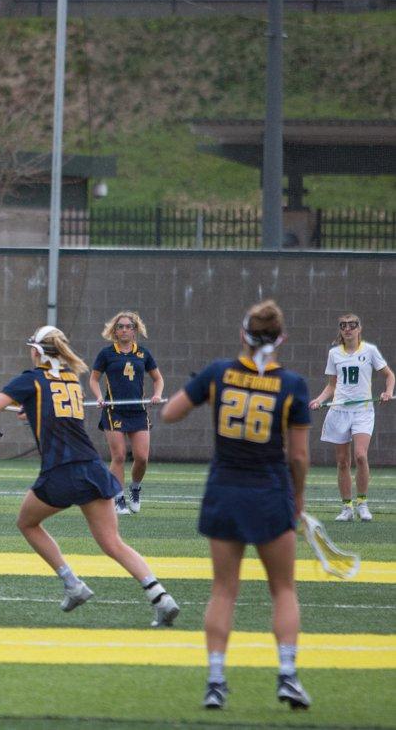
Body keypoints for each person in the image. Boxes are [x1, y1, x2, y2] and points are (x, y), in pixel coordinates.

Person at [0, 325, 180, 627]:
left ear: (39, 351)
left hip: (61, 470)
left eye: (32, 347)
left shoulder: (31, 379)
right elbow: (57, 410)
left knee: (26, 523)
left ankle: (72, 583)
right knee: (112, 542)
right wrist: (32, 410)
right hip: (92, 467)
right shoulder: (71, 379)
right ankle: (161, 597)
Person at [161, 300, 312, 711]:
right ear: (281, 338)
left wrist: (204, 387)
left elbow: (171, 413)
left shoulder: (218, 373)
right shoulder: (293, 384)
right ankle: (287, 675)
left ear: (243, 334)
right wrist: (297, 500)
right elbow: (298, 458)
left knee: (224, 591)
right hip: (269, 492)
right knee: (282, 589)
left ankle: (215, 680)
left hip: (225, 490)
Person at [308, 313, 393, 522]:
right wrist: (318, 400)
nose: (348, 329)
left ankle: (362, 503)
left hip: (363, 410)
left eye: (352, 325)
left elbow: (389, 375)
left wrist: (388, 392)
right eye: (343, 326)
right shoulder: (334, 354)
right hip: (339, 411)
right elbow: (332, 385)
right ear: (340, 330)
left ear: (359, 328)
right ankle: (347, 507)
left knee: (361, 456)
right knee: (342, 462)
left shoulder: (370, 351)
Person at [88, 311, 164, 515]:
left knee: (141, 457)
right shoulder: (106, 354)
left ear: (134, 330)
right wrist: (98, 398)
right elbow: (94, 379)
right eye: (120, 326)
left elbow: (158, 379)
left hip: (138, 411)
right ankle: (118, 496)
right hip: (114, 411)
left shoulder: (143, 354)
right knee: (119, 456)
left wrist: (157, 395)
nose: (123, 330)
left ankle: (135, 488)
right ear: (115, 330)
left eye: (128, 326)